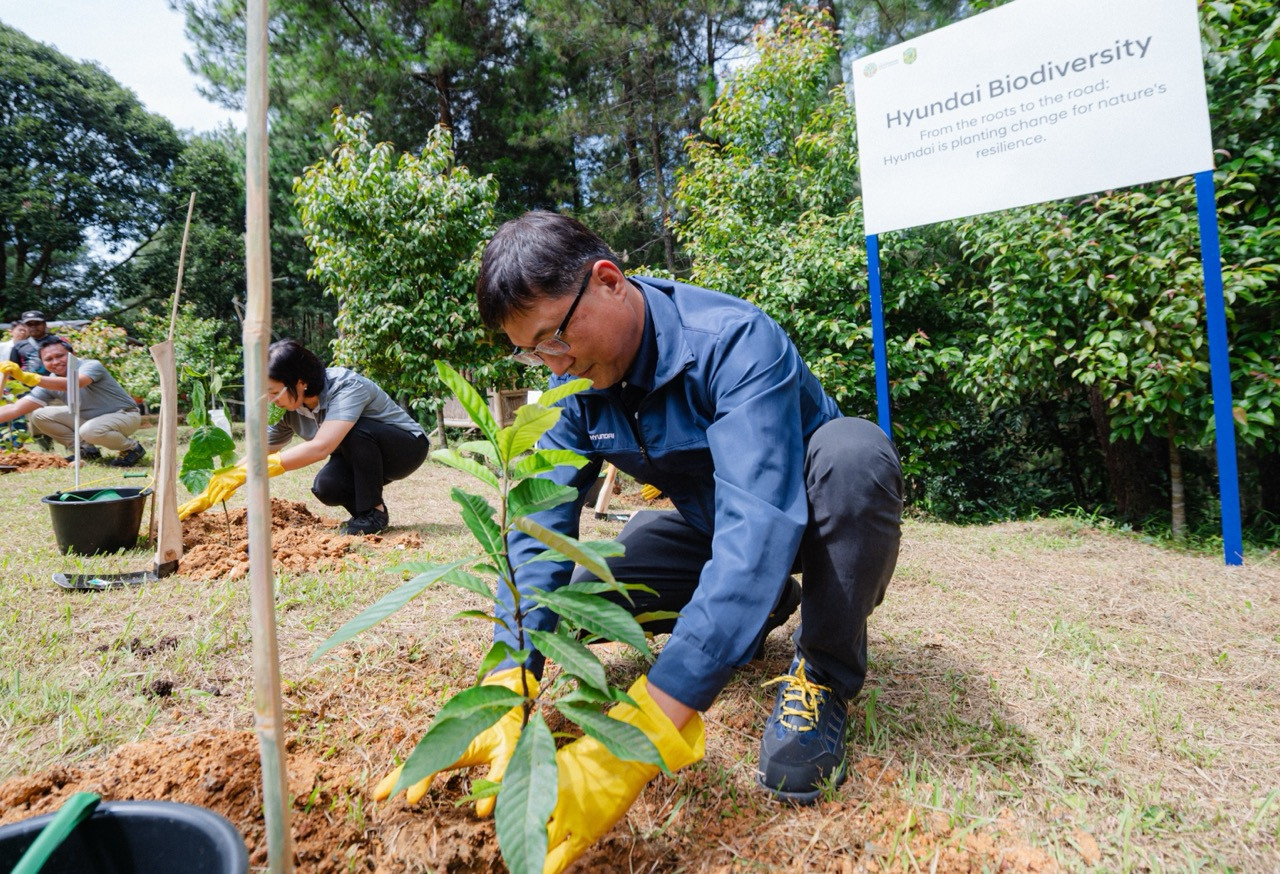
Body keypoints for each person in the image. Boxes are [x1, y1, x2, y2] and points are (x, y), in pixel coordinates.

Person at [376, 211, 903, 870]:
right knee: (590, 597)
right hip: (707, 530)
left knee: (855, 455)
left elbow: (758, 524)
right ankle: (753, 613)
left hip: (795, 523)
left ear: (608, 281)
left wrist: (647, 724)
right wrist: (510, 673)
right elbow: (541, 526)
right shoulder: (575, 388)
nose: (554, 362)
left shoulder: (733, 343)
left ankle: (822, 672)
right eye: (533, 351)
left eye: (555, 337)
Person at [178, 339, 430, 535]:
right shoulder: (289, 408)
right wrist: (224, 480)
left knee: (356, 430)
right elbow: (261, 450)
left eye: (274, 392)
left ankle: (372, 512)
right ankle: (367, 517)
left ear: (301, 382)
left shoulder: (346, 386)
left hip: (406, 448)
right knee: (326, 486)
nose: (271, 400)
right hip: (364, 456)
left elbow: (322, 447)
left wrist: (263, 469)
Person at [0, 337, 146, 466]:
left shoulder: (90, 366)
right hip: (91, 421)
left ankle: (131, 448)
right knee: (39, 415)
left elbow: (74, 383)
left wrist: (27, 377)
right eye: (49, 359)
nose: (55, 362)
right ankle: (86, 450)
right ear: (43, 363)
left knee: (89, 430)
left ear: (73, 355)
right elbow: (15, 409)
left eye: (60, 356)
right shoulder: (50, 382)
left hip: (124, 416)